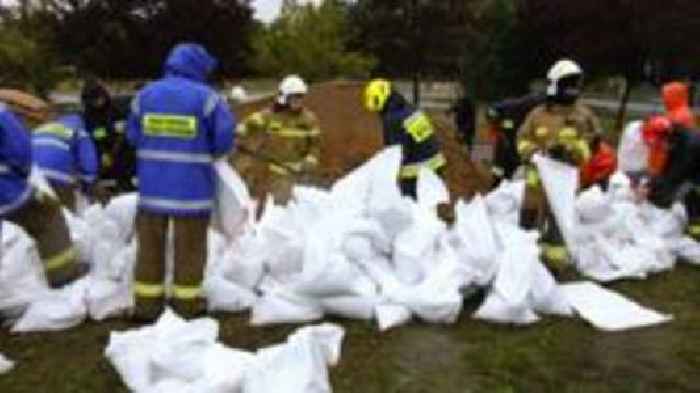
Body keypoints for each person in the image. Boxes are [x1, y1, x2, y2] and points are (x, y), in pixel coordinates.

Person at [127, 43, 235, 321]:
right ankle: (186, 305)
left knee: (149, 248)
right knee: (190, 249)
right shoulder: (207, 99)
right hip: (192, 191)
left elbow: (132, 136)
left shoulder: (144, 96)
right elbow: (223, 141)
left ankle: (146, 305)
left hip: (151, 191)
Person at [517, 59, 603, 268]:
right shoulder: (538, 115)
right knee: (527, 224)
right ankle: (521, 261)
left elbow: (594, 143)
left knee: (557, 226)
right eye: (567, 84)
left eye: (575, 84)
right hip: (535, 186)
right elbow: (522, 139)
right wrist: (534, 152)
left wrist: (572, 151)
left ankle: (553, 265)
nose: (572, 90)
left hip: (563, 185)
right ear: (555, 85)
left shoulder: (584, 116)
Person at [0, 95, 81, 288]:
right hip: (7, 192)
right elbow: (20, 152)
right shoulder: (2, 114)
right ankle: (63, 277)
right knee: (48, 214)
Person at [236, 75, 321, 203]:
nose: (298, 101)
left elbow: (315, 145)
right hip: (272, 173)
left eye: (300, 97)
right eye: (295, 97)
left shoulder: (309, 120)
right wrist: (235, 135)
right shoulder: (269, 116)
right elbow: (247, 126)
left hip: (297, 173)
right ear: (285, 98)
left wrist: (309, 162)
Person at [363, 79, 446, 199]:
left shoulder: (393, 119)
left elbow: (397, 152)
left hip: (416, 172)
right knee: (429, 206)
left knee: (412, 208)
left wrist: (388, 175)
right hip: (435, 164)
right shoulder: (408, 108)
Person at [81, 79, 136, 200]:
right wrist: (103, 152)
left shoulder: (116, 108)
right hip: (102, 150)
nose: (98, 102)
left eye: (100, 98)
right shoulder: (89, 115)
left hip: (122, 150)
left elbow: (126, 126)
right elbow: (94, 134)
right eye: (94, 100)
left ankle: (126, 188)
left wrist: (118, 128)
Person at [32, 113, 99, 211]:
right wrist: (88, 182)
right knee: (67, 213)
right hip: (58, 174)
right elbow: (88, 160)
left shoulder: (40, 129)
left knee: (41, 212)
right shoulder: (79, 131)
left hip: (34, 174)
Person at [485, 93, 545, 188]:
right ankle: (496, 187)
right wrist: (498, 124)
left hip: (519, 145)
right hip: (507, 144)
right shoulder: (511, 106)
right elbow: (491, 111)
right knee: (500, 169)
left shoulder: (537, 115)